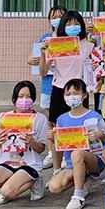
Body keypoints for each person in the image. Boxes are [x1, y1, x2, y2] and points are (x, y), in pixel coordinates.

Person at [39, 10, 97, 171]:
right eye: (69, 23)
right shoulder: (56, 44)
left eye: (76, 23)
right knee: (57, 130)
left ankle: (78, 166)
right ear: (63, 26)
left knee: (80, 129)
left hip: (79, 92)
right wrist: (43, 54)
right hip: (60, 90)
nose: (73, 26)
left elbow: (95, 69)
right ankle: (57, 168)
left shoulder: (88, 45)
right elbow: (43, 71)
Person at [47, 78, 105, 209]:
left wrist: (100, 135)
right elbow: (59, 146)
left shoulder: (94, 116)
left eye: (76, 93)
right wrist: (53, 139)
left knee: (77, 153)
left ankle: (78, 196)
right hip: (71, 164)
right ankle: (84, 179)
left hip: (94, 160)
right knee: (54, 187)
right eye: (68, 94)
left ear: (84, 95)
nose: (72, 97)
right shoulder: (61, 119)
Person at [0, 80, 49, 205]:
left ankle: (34, 182)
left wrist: (31, 142)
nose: (24, 100)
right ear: (14, 98)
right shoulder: (3, 118)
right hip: (7, 162)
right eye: (21, 96)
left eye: (28, 96)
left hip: (29, 163)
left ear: (33, 99)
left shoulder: (39, 119)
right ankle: (12, 184)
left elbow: (41, 149)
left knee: (7, 192)